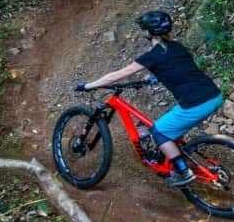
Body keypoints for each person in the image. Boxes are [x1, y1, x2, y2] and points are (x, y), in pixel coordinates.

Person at [75, 10, 223, 187]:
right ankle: (171, 155)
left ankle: (183, 171)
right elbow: (180, 69)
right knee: (170, 123)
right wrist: (154, 78)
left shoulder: (152, 56)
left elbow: (116, 76)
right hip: (214, 95)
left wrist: (89, 85)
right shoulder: (178, 47)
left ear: (148, 33)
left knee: (159, 131)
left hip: (196, 104)